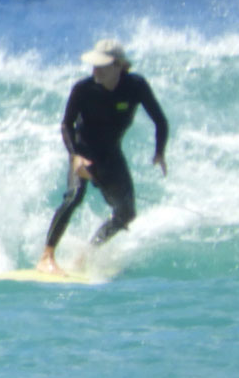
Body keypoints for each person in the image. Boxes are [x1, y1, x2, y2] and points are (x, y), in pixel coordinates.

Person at [38, 38, 169, 275]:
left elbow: (160, 120)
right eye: (94, 65)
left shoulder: (135, 86)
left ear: (119, 66)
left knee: (126, 214)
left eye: (102, 66)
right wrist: (75, 156)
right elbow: (67, 124)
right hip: (83, 151)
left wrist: (159, 152)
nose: (95, 70)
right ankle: (47, 256)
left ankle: (87, 253)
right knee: (75, 195)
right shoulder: (83, 89)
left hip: (110, 153)